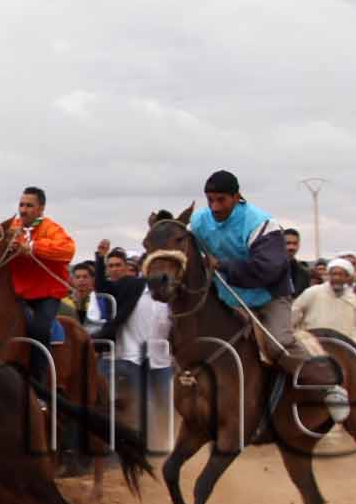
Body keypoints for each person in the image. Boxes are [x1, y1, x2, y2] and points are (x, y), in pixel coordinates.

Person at [185, 169, 299, 367]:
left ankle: (322, 384)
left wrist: (221, 265)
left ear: (236, 197)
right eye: (210, 200)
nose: (215, 207)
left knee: (278, 345)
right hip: (229, 299)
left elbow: (268, 269)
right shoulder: (197, 222)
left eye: (221, 200)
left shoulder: (259, 222)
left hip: (268, 296)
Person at [93, 241, 172, 449]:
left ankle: (163, 446)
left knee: (166, 408)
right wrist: (100, 259)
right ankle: (147, 450)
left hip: (163, 361)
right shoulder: (132, 285)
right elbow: (103, 287)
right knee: (143, 407)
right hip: (133, 358)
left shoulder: (171, 294)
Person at [5, 187, 77, 349]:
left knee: (39, 330)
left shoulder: (51, 228)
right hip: (18, 292)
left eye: (29, 206)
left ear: (41, 208)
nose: (23, 210)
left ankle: (41, 372)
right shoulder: (11, 229)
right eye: (21, 205)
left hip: (47, 294)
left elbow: (68, 249)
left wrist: (32, 246)